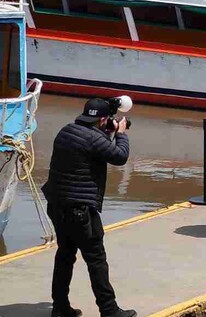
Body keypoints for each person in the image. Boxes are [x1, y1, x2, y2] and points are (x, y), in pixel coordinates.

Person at [41, 98, 135, 317]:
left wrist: (107, 133)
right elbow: (119, 156)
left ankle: (60, 307)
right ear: (103, 119)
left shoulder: (66, 131)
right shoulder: (94, 138)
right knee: (96, 259)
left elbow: (92, 150)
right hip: (80, 211)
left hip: (57, 205)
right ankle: (109, 310)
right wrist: (121, 133)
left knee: (65, 255)